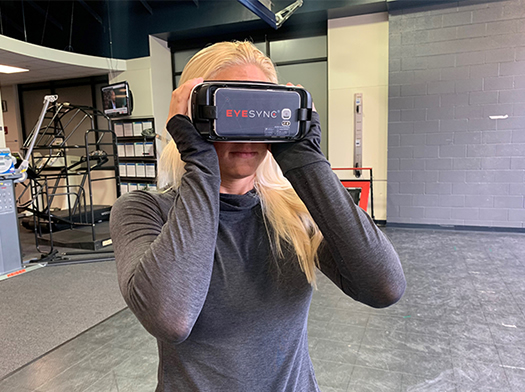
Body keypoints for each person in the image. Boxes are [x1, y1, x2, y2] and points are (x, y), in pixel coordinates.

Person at [110, 41, 406, 392]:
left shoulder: (296, 212)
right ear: (190, 115)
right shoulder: (144, 211)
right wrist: (200, 164)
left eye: (260, 110)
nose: (248, 132)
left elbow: (384, 287)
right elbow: (170, 317)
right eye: (231, 110)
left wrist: (305, 160)